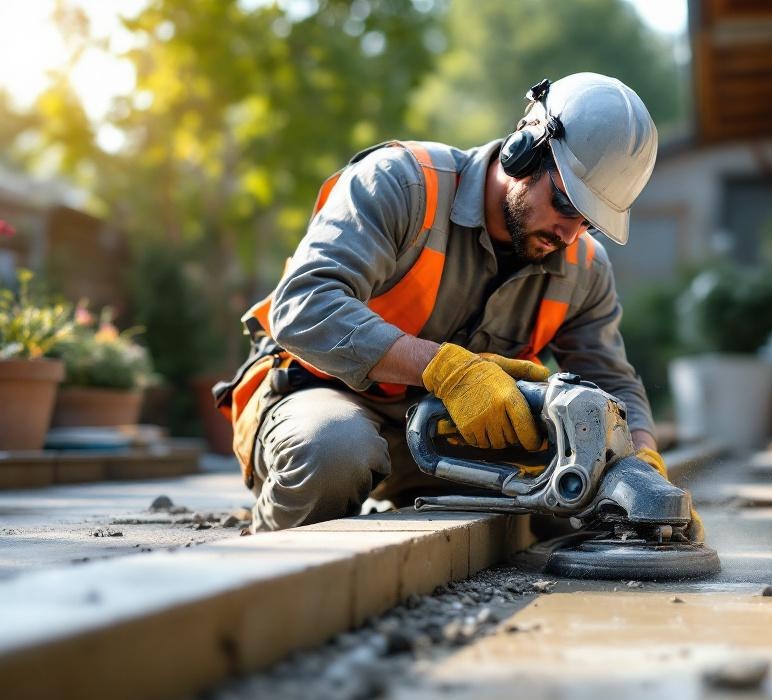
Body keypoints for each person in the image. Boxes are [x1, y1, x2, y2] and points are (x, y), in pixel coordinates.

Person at [215, 72, 703, 542]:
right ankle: (262, 545)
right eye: (565, 204)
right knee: (335, 451)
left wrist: (642, 468)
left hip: (443, 436)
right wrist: (445, 370)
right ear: (524, 151)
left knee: (582, 497)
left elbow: (613, 384)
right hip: (322, 395)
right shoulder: (403, 185)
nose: (570, 235)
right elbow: (303, 306)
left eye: (589, 223)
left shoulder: (583, 268)